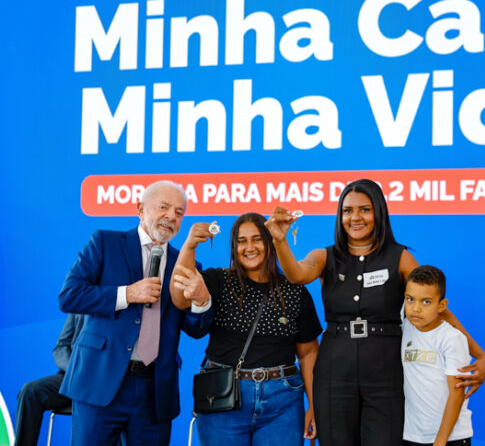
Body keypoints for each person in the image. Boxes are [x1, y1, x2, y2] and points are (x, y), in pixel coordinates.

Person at [265, 178, 485, 446]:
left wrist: (479, 355)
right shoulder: (325, 256)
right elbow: (297, 274)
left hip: (386, 373)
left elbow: (434, 308)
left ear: (379, 212)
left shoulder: (400, 257)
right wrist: (280, 241)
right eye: (347, 210)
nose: (355, 217)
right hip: (335, 371)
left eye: (365, 209)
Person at [58, 180, 212, 446]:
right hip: (100, 381)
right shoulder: (105, 243)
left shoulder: (187, 264)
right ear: (140, 209)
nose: (171, 216)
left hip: (155, 390)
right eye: (163, 207)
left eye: (179, 212)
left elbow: (196, 329)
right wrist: (127, 294)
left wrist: (201, 301)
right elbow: (69, 296)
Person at [169, 212, 322, 446]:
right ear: (234, 247)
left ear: (270, 242)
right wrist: (189, 245)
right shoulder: (218, 280)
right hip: (223, 398)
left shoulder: (294, 290)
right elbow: (180, 299)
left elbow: (308, 353)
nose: (249, 247)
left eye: (257, 239)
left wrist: (314, 405)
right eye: (241, 241)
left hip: (283, 401)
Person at [402, 265, 473, 446]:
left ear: (442, 305)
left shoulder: (452, 338)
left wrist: (440, 441)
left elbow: (457, 394)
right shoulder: (405, 328)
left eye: (426, 302)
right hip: (413, 436)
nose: (416, 308)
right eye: (410, 299)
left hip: (451, 437)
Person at [14, 313, 84, 446]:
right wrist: (73, 370)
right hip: (71, 376)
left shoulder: (119, 304)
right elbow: (61, 346)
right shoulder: (78, 304)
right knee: (30, 391)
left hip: (102, 382)